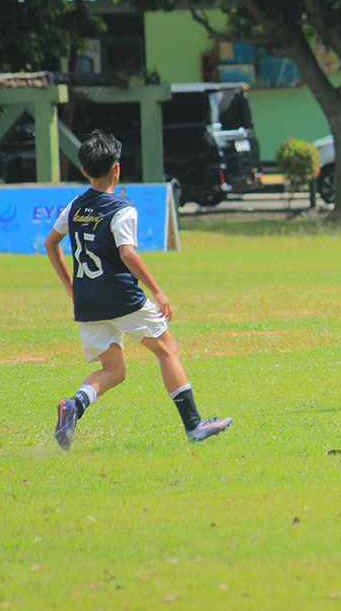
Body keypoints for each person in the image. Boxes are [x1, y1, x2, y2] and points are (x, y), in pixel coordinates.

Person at [45, 130, 232, 450]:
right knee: (167, 349)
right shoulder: (121, 208)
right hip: (120, 298)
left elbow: (51, 243)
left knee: (113, 370)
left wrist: (69, 284)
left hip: (88, 302)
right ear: (116, 168)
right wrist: (158, 291)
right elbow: (127, 253)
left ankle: (74, 405)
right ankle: (194, 425)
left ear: (84, 171)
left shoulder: (75, 205)